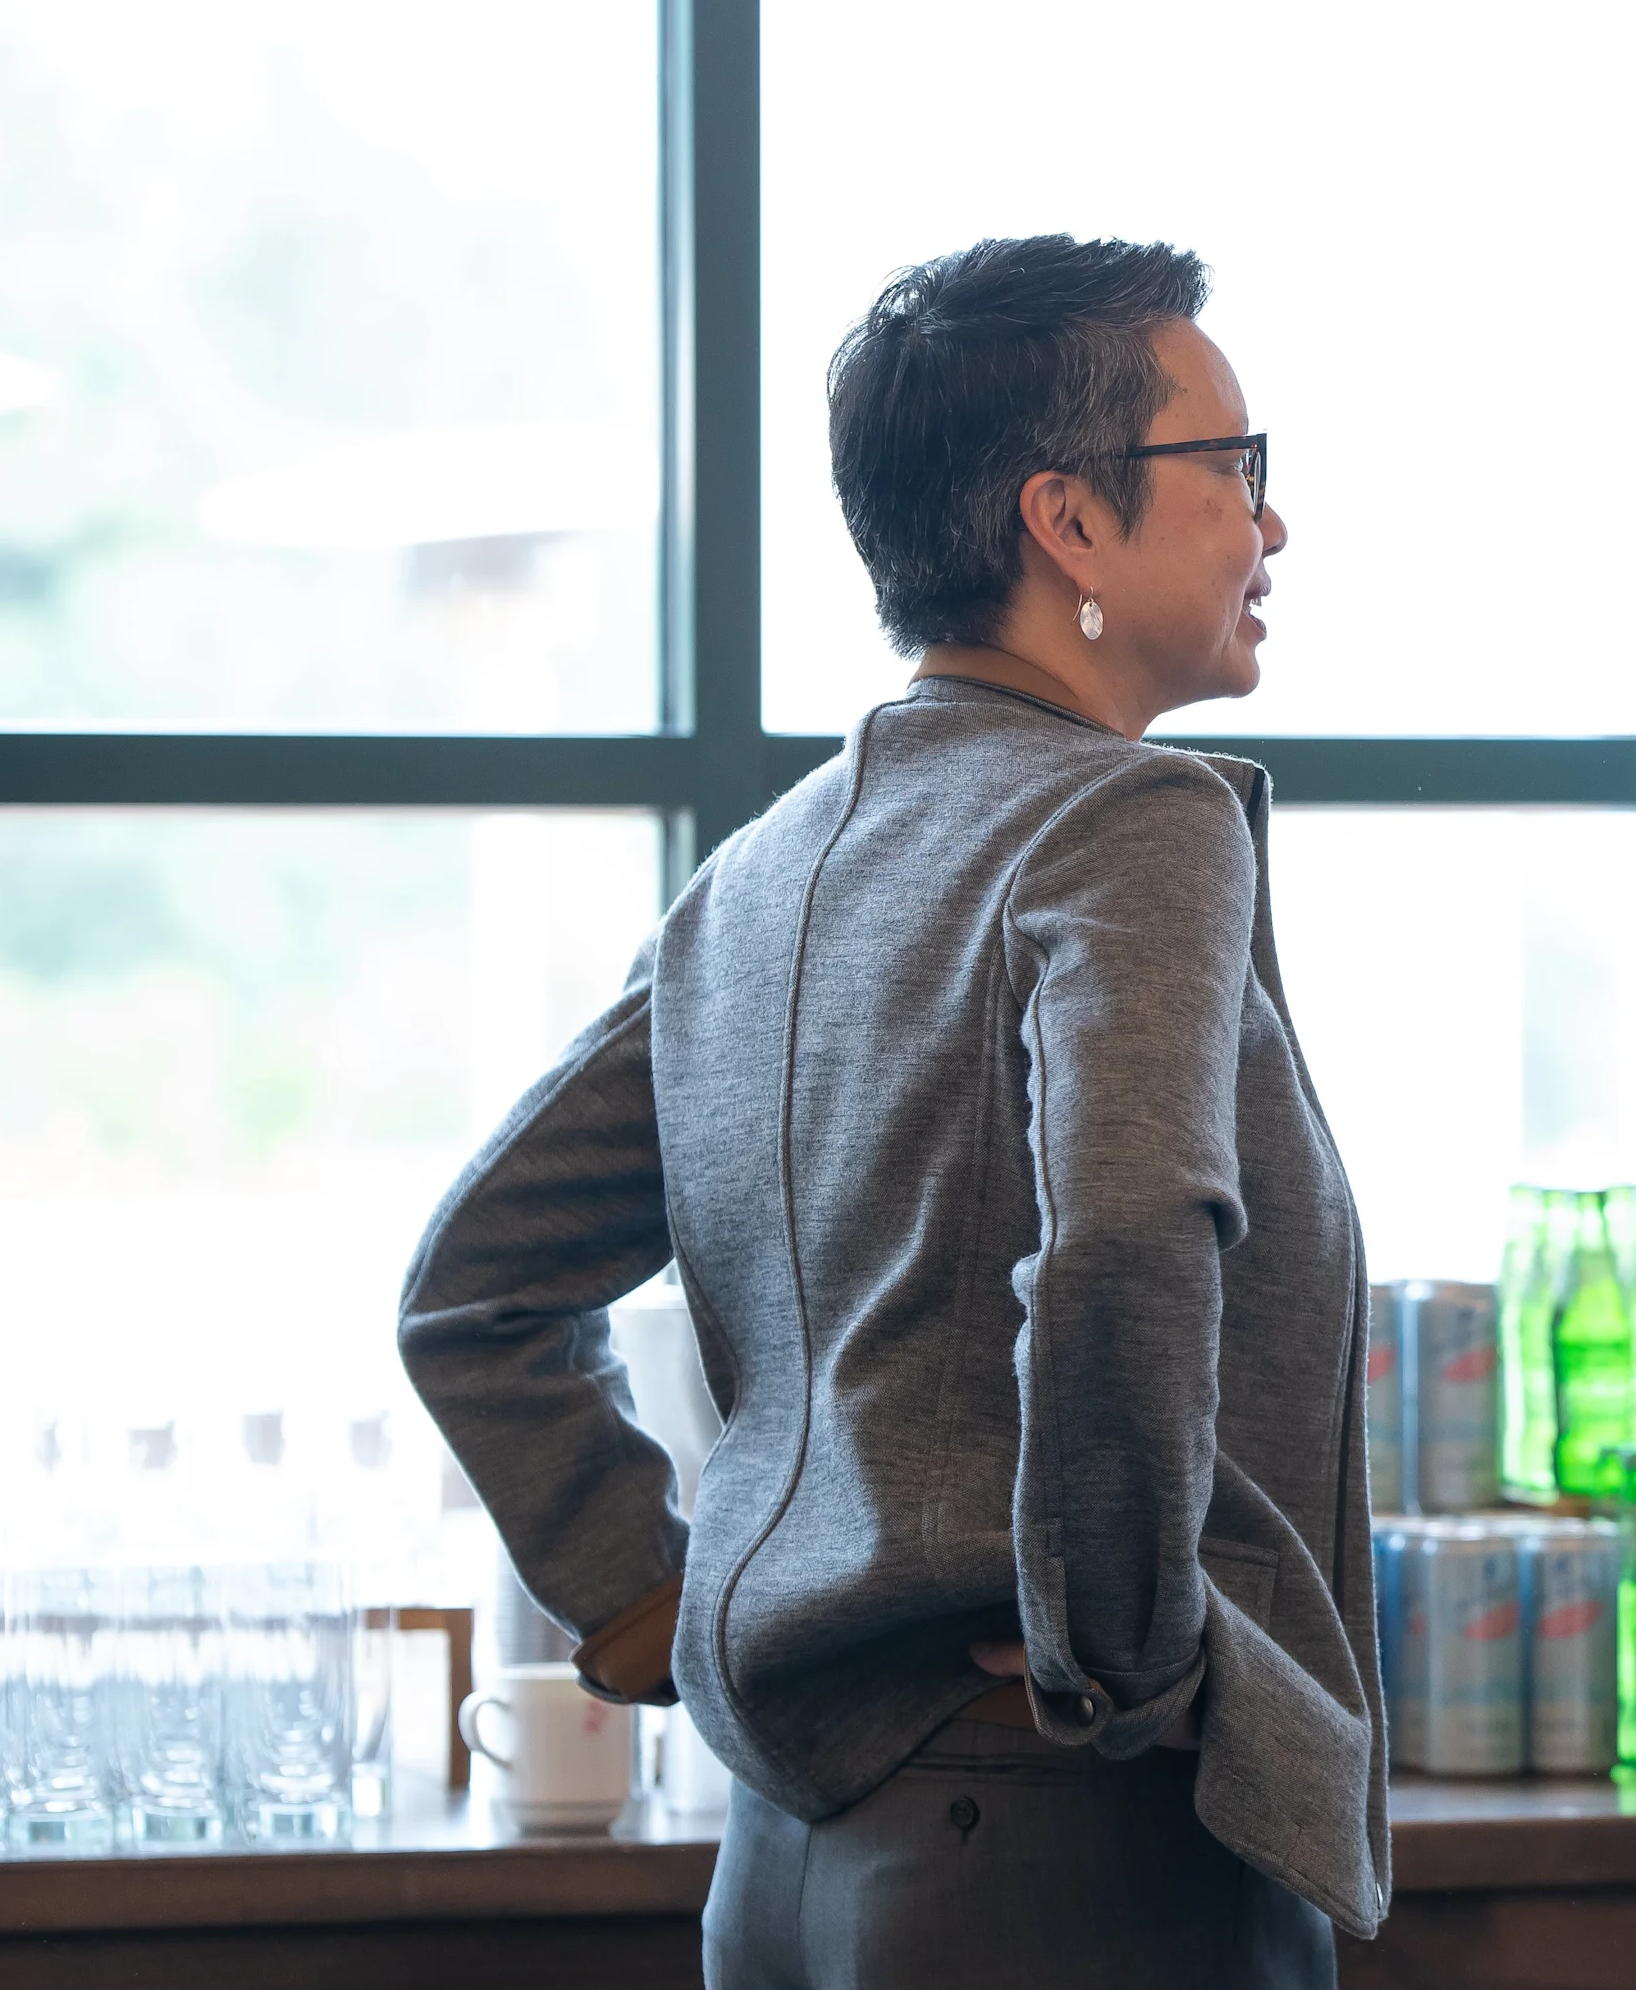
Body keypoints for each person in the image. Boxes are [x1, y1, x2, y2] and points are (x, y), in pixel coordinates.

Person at [399, 234, 1378, 1989]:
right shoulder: (1131, 822)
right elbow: (1131, 1241)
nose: (1271, 524)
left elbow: (469, 1292)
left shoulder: (762, 877)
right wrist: (1130, 1660)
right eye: (1234, 469)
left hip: (791, 1856)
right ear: (1065, 521)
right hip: (1073, 1852)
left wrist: (649, 1598)